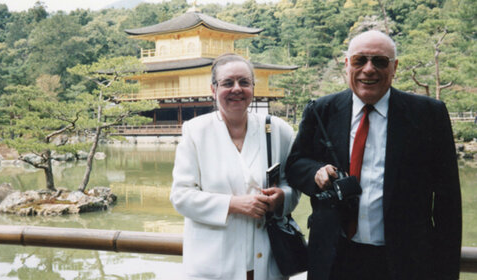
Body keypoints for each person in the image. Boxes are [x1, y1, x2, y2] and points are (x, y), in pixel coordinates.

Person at [285, 30, 461, 280]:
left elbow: (448, 202)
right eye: (360, 60)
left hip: (404, 261)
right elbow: (295, 164)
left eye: (379, 61)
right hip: (336, 259)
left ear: (394, 67)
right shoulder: (321, 110)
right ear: (347, 65)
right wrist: (316, 173)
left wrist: (446, 271)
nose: (369, 69)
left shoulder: (427, 115)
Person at [170, 53, 299, 280]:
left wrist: (281, 198)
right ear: (213, 89)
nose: (237, 89)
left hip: (268, 260)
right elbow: (181, 196)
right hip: (213, 261)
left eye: (244, 82)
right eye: (228, 83)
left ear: (253, 87)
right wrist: (233, 204)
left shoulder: (278, 130)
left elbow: (294, 186)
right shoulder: (196, 132)